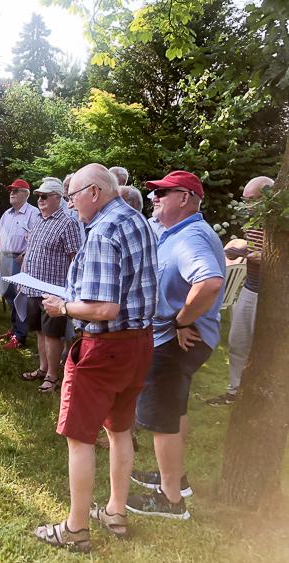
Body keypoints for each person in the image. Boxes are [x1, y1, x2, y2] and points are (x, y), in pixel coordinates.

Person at [34, 164, 158, 553]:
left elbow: (104, 307)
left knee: (79, 436)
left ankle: (75, 528)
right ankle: (116, 513)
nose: (69, 205)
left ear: (93, 191)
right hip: (138, 344)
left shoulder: (103, 231)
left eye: (71, 196)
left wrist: (63, 307)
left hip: (105, 348)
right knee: (120, 430)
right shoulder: (134, 218)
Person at [127, 170, 225, 520]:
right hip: (179, 337)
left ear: (185, 198)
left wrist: (181, 320)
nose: (154, 197)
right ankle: (175, 478)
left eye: (163, 193)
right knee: (176, 408)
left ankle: (171, 501)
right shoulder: (176, 231)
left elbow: (210, 282)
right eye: (154, 193)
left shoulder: (191, 237)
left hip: (176, 340)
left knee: (162, 416)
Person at [206, 176, 273, 406]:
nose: (247, 206)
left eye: (252, 200)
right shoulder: (254, 222)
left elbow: (277, 259)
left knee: (268, 347)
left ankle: (267, 399)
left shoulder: (279, 223)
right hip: (249, 289)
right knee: (238, 341)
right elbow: (254, 247)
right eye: (245, 200)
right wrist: (241, 249)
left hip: (272, 295)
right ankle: (235, 392)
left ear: (268, 197)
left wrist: (258, 256)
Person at [18, 178, 82, 390]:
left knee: (53, 334)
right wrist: (22, 279)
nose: (40, 200)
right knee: (39, 331)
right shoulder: (38, 219)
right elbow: (30, 251)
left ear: (57, 198)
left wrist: (71, 290)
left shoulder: (68, 222)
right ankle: (43, 368)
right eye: (38, 196)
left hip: (53, 291)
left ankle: (53, 376)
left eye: (44, 196)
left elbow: (76, 258)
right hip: (31, 287)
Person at [0, 179, 39, 350]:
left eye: (16, 190)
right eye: (10, 190)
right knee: (8, 293)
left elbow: (37, 237)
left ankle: (20, 336)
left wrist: (25, 255)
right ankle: (15, 327)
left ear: (26, 194)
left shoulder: (33, 213)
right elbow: (0, 233)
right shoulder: (7, 214)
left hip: (20, 259)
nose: (12, 193)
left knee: (20, 297)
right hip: (6, 258)